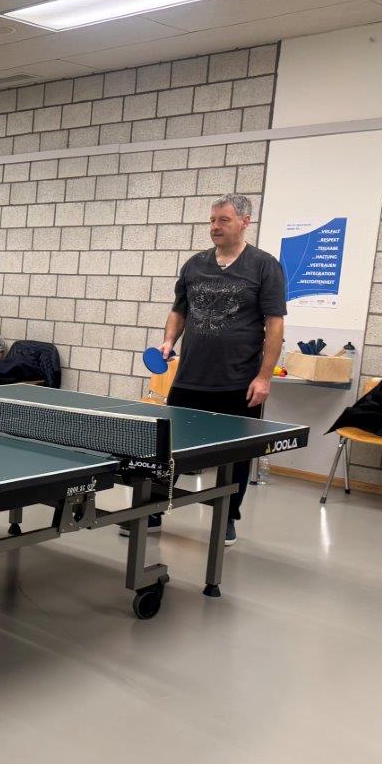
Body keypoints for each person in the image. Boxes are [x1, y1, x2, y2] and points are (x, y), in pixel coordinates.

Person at [128, 193, 286, 546]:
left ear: (245, 222)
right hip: (190, 378)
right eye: (212, 220)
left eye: (223, 220)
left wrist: (264, 376)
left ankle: (227, 517)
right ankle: (153, 508)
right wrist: (168, 341)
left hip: (238, 382)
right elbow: (178, 310)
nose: (215, 227)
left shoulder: (265, 266)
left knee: (237, 456)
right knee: (170, 449)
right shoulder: (194, 265)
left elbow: (275, 325)